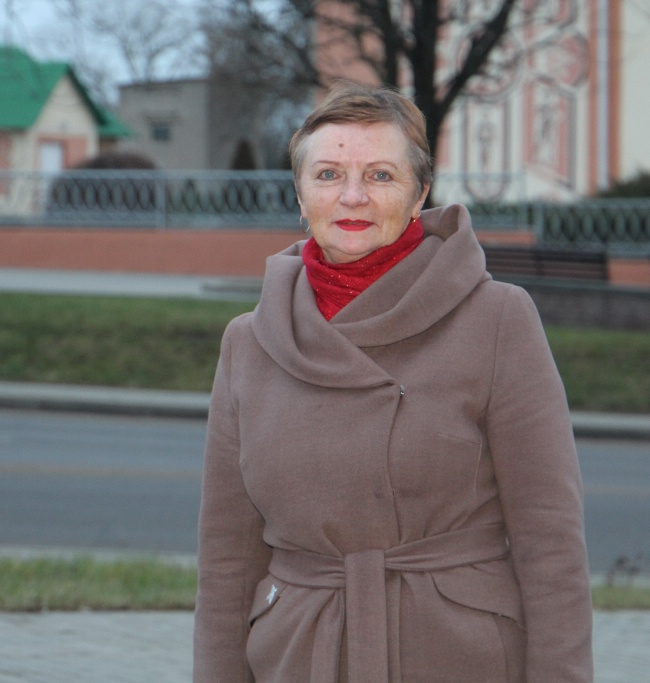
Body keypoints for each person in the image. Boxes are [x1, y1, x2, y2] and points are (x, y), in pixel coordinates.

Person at [195, 82, 592, 682]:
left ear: (420, 192)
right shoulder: (248, 343)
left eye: (380, 175)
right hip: (299, 655)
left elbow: (551, 542)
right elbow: (227, 563)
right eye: (328, 175)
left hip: (458, 655)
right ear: (300, 194)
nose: (352, 196)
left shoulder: (497, 319)